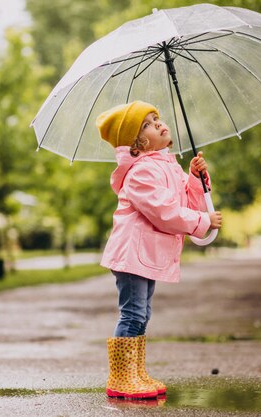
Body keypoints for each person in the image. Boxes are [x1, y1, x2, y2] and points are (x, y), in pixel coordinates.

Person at [95, 101, 222, 399]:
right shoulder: (140, 173)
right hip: (131, 255)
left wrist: (194, 178)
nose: (161, 124)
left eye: (158, 119)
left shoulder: (168, 166)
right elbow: (164, 212)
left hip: (146, 255)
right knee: (133, 314)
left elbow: (187, 205)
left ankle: (135, 372)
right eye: (151, 123)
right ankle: (121, 378)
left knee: (143, 313)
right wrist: (203, 221)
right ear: (138, 143)